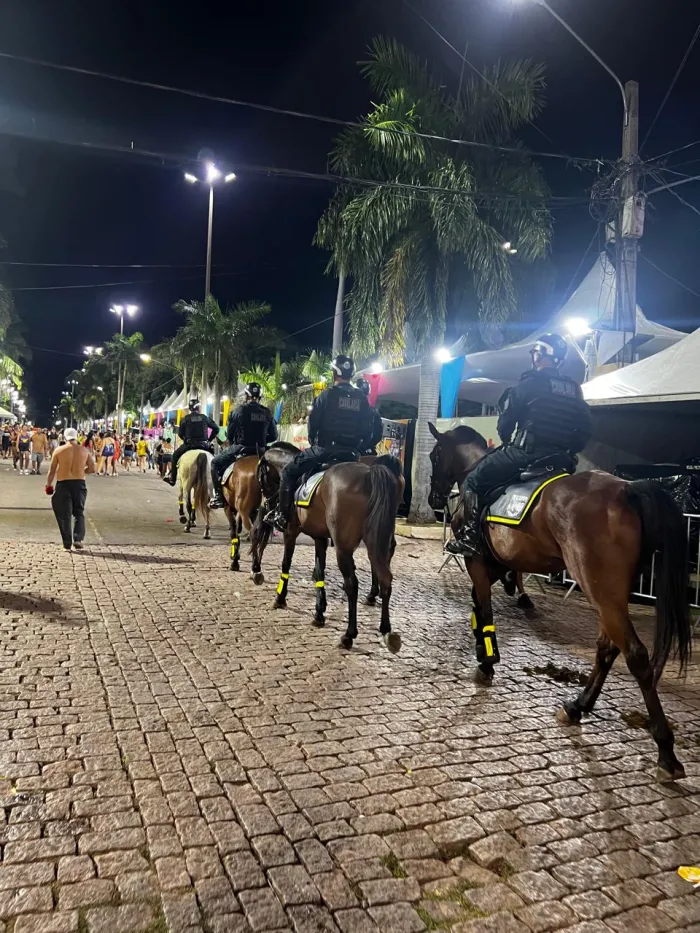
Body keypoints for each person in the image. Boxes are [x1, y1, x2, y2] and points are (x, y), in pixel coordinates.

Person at [446, 333, 594, 556]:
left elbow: (506, 423)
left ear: (540, 355)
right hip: (561, 459)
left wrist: (507, 441)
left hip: (527, 453)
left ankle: (470, 538)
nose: (533, 356)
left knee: (475, 480)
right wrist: (569, 450)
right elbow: (586, 429)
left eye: (535, 352)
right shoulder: (574, 389)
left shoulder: (530, 384)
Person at [268, 355, 373, 530]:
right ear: (351, 374)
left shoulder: (326, 395)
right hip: (352, 454)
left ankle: (282, 516)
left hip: (325, 450)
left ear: (334, 373)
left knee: (288, 472)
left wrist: (314, 442)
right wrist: (357, 448)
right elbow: (368, 430)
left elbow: (313, 425)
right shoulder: (362, 399)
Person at [210, 382, 278, 509]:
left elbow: (230, 435)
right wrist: (262, 440)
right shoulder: (267, 412)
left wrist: (235, 440)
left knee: (215, 463)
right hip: (261, 451)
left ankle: (219, 496)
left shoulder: (239, 411)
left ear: (246, 395)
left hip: (241, 447)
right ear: (260, 397)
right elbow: (274, 436)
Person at [45, 426, 96, 551]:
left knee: (64, 514)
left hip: (63, 484)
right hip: (79, 484)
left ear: (64, 437)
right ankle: (78, 538)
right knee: (79, 512)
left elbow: (51, 471)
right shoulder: (84, 451)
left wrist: (48, 485)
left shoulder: (59, 450)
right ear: (76, 436)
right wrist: (81, 471)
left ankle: (67, 543)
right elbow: (92, 468)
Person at [164, 400, 219, 487]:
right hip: (204, 445)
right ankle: (217, 481)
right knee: (215, 460)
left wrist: (185, 439)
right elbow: (216, 428)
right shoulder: (205, 418)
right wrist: (209, 439)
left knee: (174, 456)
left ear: (190, 408)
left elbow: (180, 433)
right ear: (198, 408)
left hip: (189, 445)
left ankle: (172, 479)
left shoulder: (185, 419)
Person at [354, 378, 384, 455]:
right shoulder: (373, 412)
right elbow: (378, 435)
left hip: (349, 451)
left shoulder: (348, 409)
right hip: (366, 453)